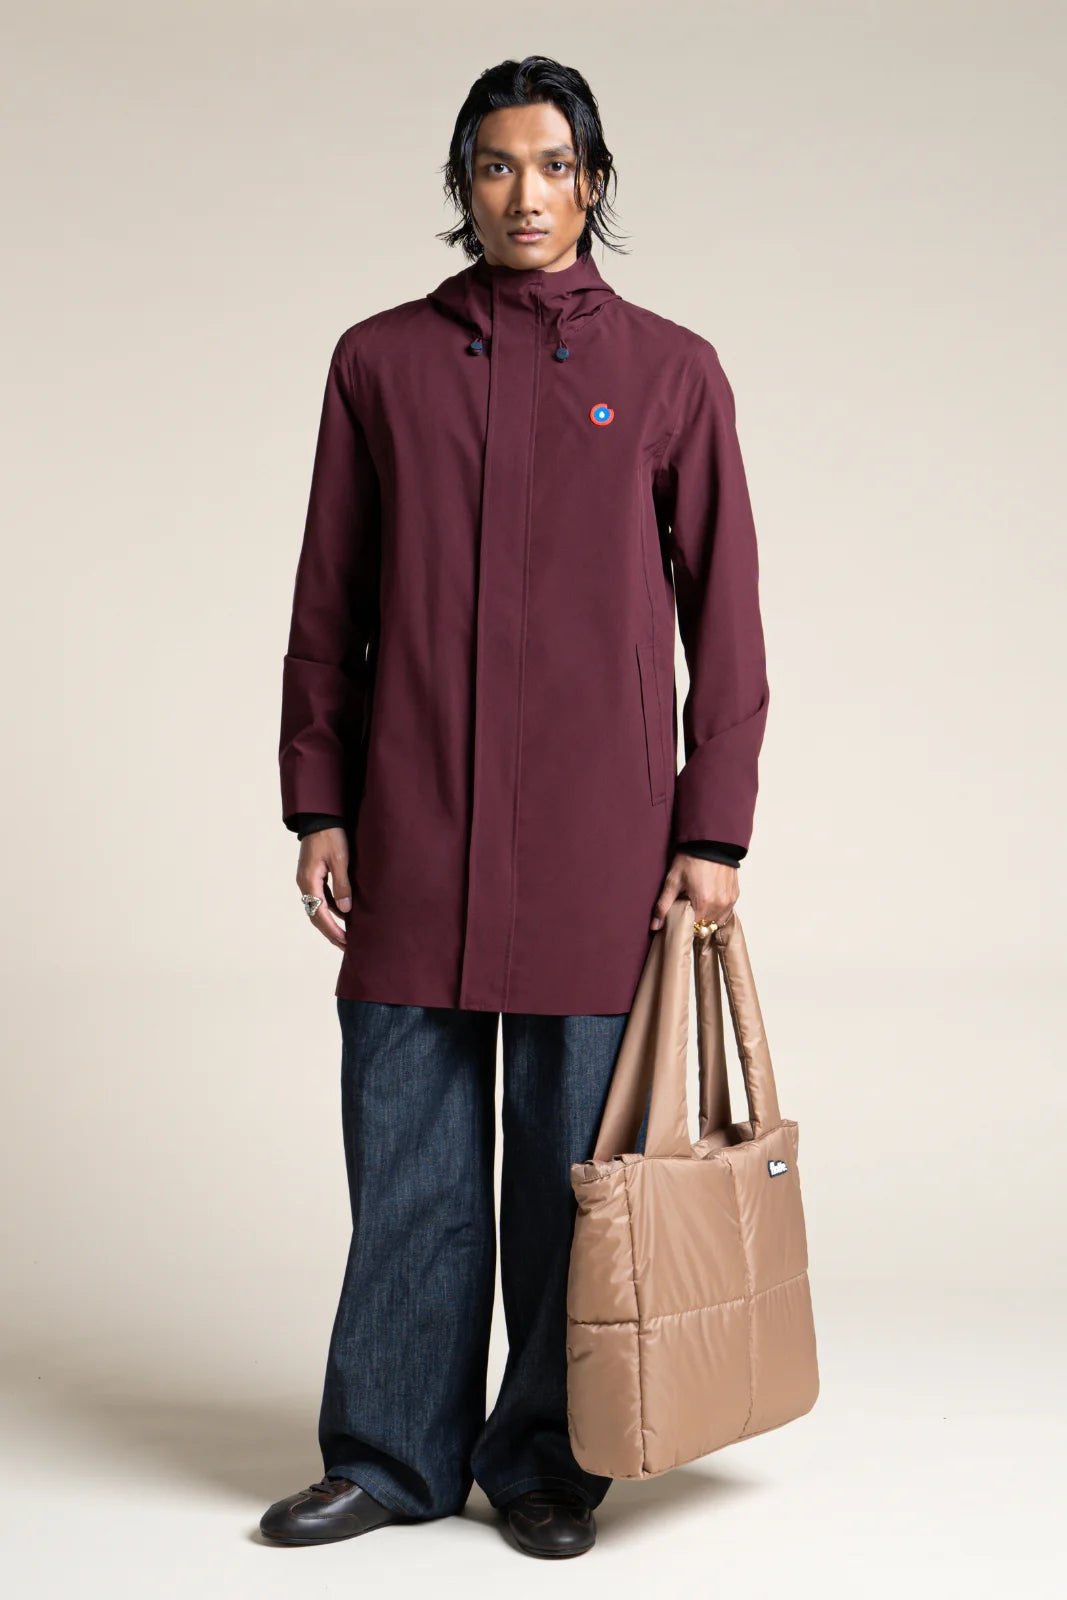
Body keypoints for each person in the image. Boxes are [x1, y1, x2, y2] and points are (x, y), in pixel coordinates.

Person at [260, 54, 769, 1560]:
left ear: (593, 184)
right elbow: (328, 601)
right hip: (410, 827)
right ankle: (389, 1456)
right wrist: (318, 801)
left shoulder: (671, 370)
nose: (525, 194)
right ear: (462, 185)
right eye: (496, 166)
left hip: (599, 843)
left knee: (570, 1175)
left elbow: (726, 620)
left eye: (553, 166)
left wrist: (711, 830)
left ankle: (551, 1459)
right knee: (405, 1165)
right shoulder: (379, 363)